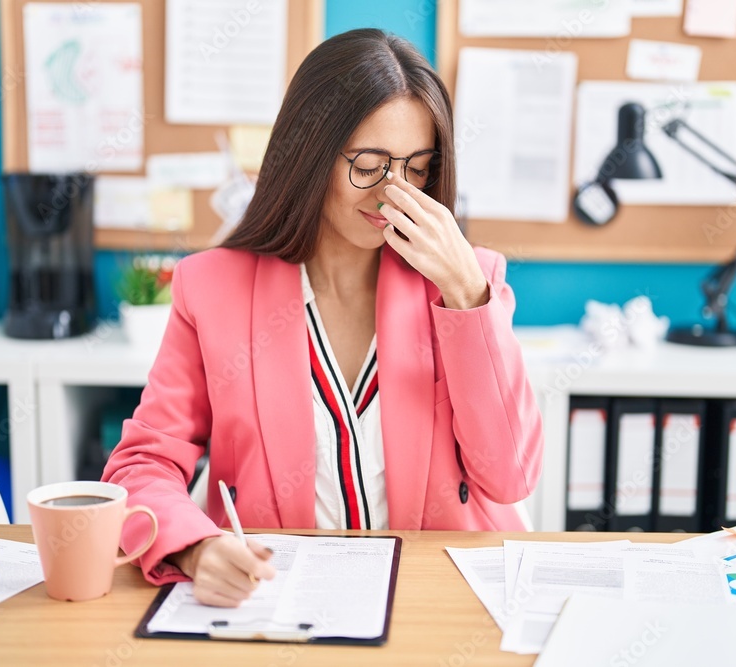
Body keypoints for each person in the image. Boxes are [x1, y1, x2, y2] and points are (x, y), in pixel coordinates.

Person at [102, 28, 543, 608]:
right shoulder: (211, 288)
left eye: (417, 169)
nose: (393, 194)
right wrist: (195, 548)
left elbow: (510, 477)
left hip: (439, 602)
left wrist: (465, 292)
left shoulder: (471, 282)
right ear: (310, 152)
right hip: (279, 601)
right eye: (369, 165)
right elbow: (143, 463)